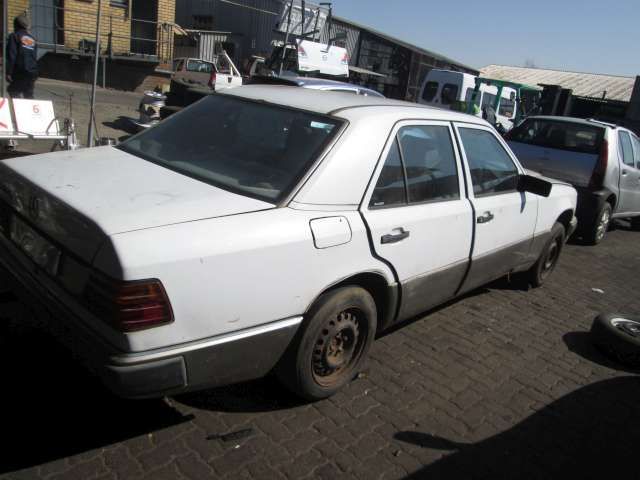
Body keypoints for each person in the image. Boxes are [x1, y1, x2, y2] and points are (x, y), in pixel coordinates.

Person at [6, 15, 38, 99]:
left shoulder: (14, 36)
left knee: (13, 91)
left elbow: (12, 55)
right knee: (28, 94)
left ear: (15, 25)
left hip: (20, 70)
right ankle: (30, 107)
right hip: (32, 71)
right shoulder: (32, 39)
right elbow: (34, 56)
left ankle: (19, 106)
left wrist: (9, 72)